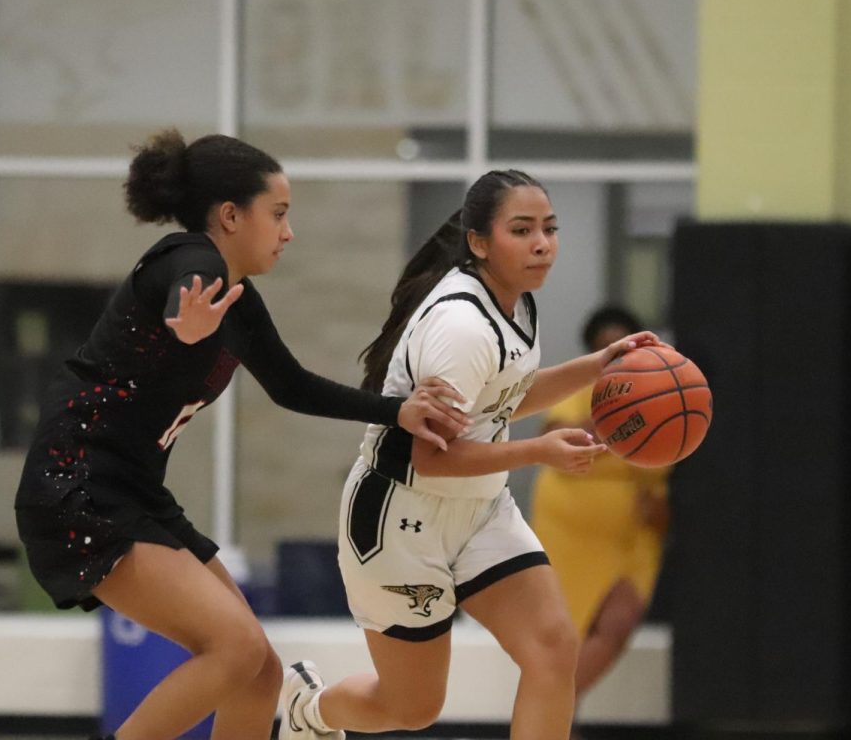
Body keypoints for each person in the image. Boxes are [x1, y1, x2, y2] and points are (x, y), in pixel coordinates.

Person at [13, 128, 468, 740]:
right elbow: (183, 294)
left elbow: (293, 386)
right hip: (79, 488)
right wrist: (185, 326)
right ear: (230, 216)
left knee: (258, 670)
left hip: (134, 491)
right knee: (231, 649)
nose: (288, 232)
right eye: (277, 214)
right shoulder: (189, 261)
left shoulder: (239, 299)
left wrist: (398, 410)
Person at [279, 170, 661, 740]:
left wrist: (599, 362)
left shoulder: (518, 304)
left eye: (550, 229)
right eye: (523, 229)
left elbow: (502, 400)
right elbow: (432, 458)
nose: (542, 243)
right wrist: (539, 452)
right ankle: (310, 711)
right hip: (401, 519)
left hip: (478, 510)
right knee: (411, 709)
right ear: (479, 242)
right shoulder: (461, 325)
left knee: (555, 650)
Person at [530, 306, 671, 718]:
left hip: (632, 534)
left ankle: (550, 711)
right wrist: (612, 414)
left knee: (618, 624)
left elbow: (666, 469)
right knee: (564, 637)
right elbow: (548, 438)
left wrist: (661, 508)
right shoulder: (578, 390)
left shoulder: (665, 395)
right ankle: (558, 721)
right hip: (568, 527)